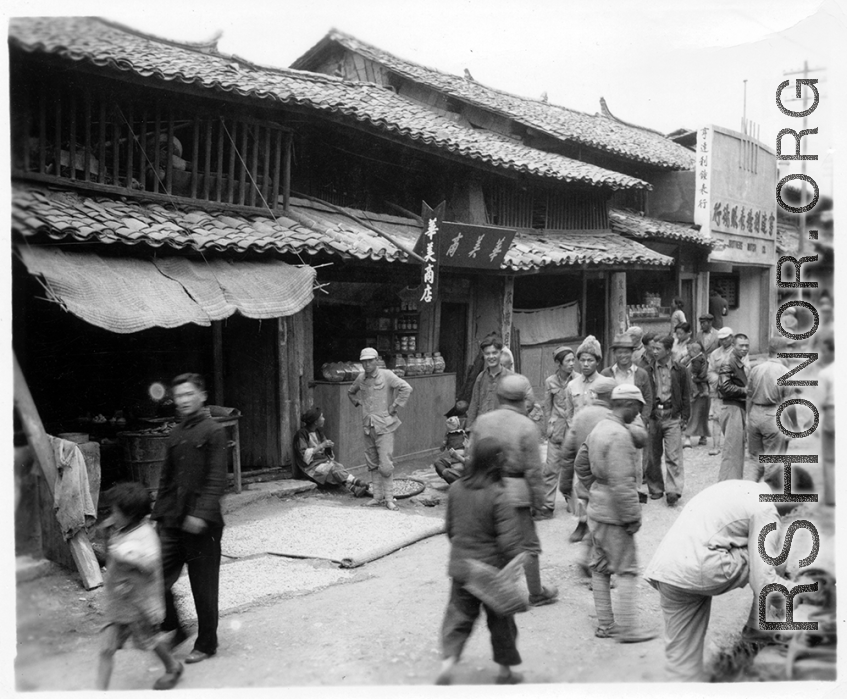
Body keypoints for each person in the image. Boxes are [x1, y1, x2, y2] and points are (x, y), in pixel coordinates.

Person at [644, 466, 815, 681]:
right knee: (773, 556)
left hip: (669, 571)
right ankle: (760, 629)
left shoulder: (739, 488)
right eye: (796, 503)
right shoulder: (766, 509)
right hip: (700, 567)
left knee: (682, 663)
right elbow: (764, 583)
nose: (792, 511)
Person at [436, 436, 525, 686]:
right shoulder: (499, 494)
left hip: (462, 569)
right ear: (497, 462)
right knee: (502, 624)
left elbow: (451, 530)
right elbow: (508, 543)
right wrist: (516, 562)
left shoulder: (456, 489)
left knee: (458, 618)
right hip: (490, 574)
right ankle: (505, 673)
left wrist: (465, 552)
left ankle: (448, 664)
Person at [152, 373, 226, 665]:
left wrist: (200, 514)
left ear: (202, 396)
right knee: (156, 578)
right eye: (178, 396)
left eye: (188, 394)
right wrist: (158, 515)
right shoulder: (175, 433)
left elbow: (217, 479)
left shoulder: (214, 432)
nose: (182, 400)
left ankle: (207, 643)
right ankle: (174, 627)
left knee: (203, 588)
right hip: (171, 521)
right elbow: (166, 479)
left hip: (202, 525)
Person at [574, 385, 656, 643]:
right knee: (627, 569)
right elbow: (622, 484)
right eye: (638, 409)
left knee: (599, 568)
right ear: (629, 405)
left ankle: (606, 625)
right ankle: (630, 630)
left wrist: (594, 490)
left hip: (597, 510)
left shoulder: (599, 428)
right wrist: (632, 516)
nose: (638, 415)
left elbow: (580, 464)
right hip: (614, 514)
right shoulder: (620, 435)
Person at [471, 374, 558, 607]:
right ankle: (536, 592)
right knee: (528, 545)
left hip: (485, 489)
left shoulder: (482, 421)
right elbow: (533, 471)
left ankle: (484, 588)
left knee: (489, 540)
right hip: (516, 493)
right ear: (524, 398)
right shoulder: (527, 427)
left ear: (499, 396)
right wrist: (539, 502)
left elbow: (471, 461)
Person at [97, 482, 182, 690]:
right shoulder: (121, 527)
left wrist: (127, 556)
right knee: (106, 649)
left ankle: (172, 666)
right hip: (118, 604)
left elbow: (150, 564)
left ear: (131, 515)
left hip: (138, 607)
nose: (111, 515)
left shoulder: (145, 536)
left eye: (115, 512)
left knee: (149, 641)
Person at [558, 375, 618, 569]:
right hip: (607, 483)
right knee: (605, 526)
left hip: (584, 480)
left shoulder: (581, 416)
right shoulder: (614, 417)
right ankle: (594, 563)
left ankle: (587, 559)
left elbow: (567, 453)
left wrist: (565, 484)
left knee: (594, 522)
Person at [348, 347, 412, 511]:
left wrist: (394, 406)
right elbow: (351, 392)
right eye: (364, 361)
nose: (367, 364)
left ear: (377, 360)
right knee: (372, 462)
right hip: (368, 426)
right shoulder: (361, 378)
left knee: (385, 464)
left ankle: (389, 499)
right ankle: (377, 497)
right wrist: (358, 403)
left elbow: (406, 388)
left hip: (385, 426)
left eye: (370, 360)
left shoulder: (387, 375)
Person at [601, 333, 654, 501]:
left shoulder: (641, 374)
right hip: (613, 420)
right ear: (614, 354)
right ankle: (615, 491)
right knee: (612, 454)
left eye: (626, 352)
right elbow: (602, 398)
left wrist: (643, 420)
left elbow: (648, 399)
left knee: (636, 457)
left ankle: (635, 491)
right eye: (619, 352)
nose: (623, 356)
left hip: (635, 419)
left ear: (632, 353)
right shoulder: (607, 373)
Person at [646, 336, 690, 506]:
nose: (654, 351)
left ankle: (673, 490)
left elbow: (686, 395)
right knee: (653, 455)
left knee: (673, 454)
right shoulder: (647, 369)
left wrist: (685, 417)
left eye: (658, 348)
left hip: (672, 415)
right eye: (653, 348)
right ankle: (656, 488)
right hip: (654, 415)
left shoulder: (680, 370)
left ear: (668, 350)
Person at [744, 335, 793, 481]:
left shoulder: (756, 369)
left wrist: (749, 418)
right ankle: (771, 498)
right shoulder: (785, 371)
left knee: (755, 461)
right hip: (773, 415)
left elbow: (749, 396)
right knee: (774, 462)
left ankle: (750, 495)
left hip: (755, 414)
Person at [292, 407, 370, 496]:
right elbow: (304, 456)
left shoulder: (319, 432)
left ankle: (354, 489)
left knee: (337, 466)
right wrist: (321, 446)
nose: (324, 419)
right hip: (310, 467)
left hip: (322, 462)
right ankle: (357, 482)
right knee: (332, 469)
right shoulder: (301, 434)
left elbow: (328, 454)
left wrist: (328, 447)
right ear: (315, 422)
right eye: (322, 417)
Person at [536, 345, 575, 519]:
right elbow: (547, 407)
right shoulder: (550, 381)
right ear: (559, 363)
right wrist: (548, 428)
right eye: (568, 361)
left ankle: (572, 500)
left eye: (573, 360)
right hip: (557, 430)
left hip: (573, 430)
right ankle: (548, 505)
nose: (572, 364)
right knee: (551, 468)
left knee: (573, 467)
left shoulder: (579, 380)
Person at [466, 337, 536, 429]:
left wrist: (514, 418)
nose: (491, 357)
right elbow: (474, 404)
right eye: (487, 353)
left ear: (501, 353)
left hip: (504, 429)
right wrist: (469, 429)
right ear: (483, 355)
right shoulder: (481, 377)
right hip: (483, 428)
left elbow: (529, 401)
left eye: (494, 353)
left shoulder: (511, 378)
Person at [717, 333, 750, 481]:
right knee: (732, 452)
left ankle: (733, 483)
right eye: (741, 345)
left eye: (746, 346)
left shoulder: (738, 362)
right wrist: (745, 391)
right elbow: (724, 387)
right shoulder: (728, 362)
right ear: (734, 346)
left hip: (737, 408)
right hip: (732, 409)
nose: (744, 348)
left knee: (736, 451)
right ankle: (727, 486)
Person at [706, 326, 735, 456]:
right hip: (718, 389)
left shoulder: (738, 352)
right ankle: (716, 445)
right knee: (716, 417)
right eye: (721, 339)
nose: (723, 341)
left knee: (733, 419)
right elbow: (710, 371)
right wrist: (719, 382)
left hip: (733, 390)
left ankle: (733, 446)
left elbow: (745, 371)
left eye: (726, 338)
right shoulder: (715, 354)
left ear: (731, 338)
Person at [564, 335, 603, 424]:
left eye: (590, 360)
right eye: (582, 360)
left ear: (597, 362)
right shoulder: (571, 385)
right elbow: (569, 414)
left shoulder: (604, 384)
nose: (585, 364)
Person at [684, 342, 710, 447]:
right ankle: (689, 436)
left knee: (701, 414)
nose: (688, 352)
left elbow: (704, 374)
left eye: (689, 350)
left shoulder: (700, 360)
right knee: (692, 413)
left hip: (699, 390)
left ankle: (698, 436)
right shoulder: (691, 359)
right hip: (691, 390)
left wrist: (697, 379)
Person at [432, 416, 469, 485]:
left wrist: (458, 456)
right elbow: (442, 448)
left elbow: (472, 463)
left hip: (466, 469)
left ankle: (461, 483)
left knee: (447, 472)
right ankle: (453, 479)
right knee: (438, 462)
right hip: (455, 465)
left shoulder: (465, 437)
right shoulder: (449, 436)